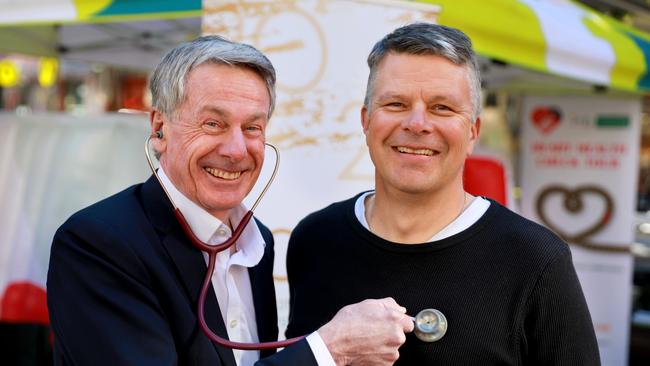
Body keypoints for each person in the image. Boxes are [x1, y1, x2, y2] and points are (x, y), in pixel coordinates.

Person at [47, 35, 413, 366]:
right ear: (160, 128)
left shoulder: (257, 241)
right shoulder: (97, 243)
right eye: (213, 124)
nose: (237, 150)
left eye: (252, 128)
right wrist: (328, 350)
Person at [285, 23, 601, 365]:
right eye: (395, 103)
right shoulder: (315, 240)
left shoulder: (536, 260)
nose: (417, 124)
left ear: (473, 132)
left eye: (442, 108)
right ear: (366, 121)